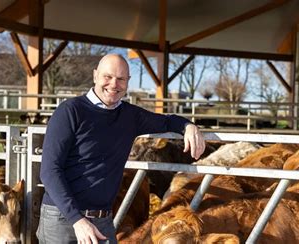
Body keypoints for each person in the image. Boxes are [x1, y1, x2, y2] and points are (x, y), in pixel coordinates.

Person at [36, 53, 206, 244]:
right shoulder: (70, 111)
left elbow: (167, 121)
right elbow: (49, 171)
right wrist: (77, 219)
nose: (114, 84)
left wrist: (188, 126)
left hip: (103, 219)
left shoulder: (129, 116)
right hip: (63, 218)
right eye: (107, 77)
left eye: (121, 79)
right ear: (95, 76)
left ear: (128, 82)